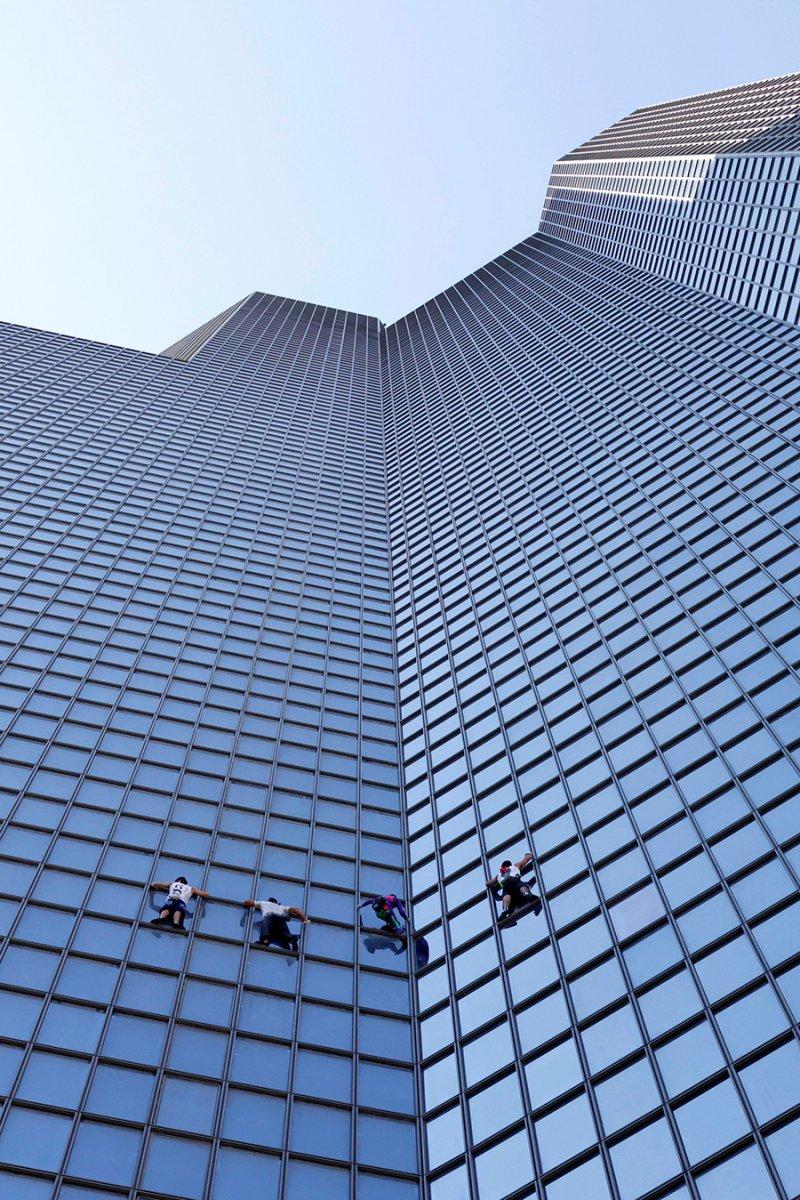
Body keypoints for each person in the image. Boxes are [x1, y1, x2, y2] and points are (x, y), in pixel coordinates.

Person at [487, 852, 542, 920]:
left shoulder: (513, 867)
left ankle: (527, 896)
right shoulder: (500, 874)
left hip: (512, 883)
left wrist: (528, 855)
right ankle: (506, 909)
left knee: (516, 890)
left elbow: (490, 883)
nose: (506, 867)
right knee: (508, 895)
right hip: (509, 885)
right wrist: (528, 855)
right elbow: (525, 860)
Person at [243, 895, 310, 952]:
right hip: (280, 918)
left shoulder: (264, 903)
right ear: (277, 903)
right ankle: (292, 939)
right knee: (283, 931)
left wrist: (245, 903)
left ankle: (265, 941)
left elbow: (248, 903)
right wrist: (305, 920)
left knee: (266, 921)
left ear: (268, 901)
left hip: (270, 917)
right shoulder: (281, 907)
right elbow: (296, 909)